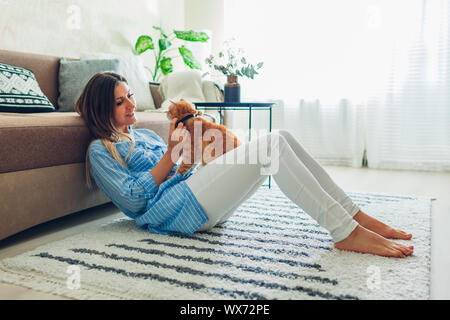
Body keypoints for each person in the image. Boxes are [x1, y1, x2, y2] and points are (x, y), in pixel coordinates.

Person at [75, 72, 414, 259]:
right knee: (272, 145)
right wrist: (172, 156)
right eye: (120, 102)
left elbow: (176, 171)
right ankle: (347, 232)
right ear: (101, 109)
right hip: (173, 213)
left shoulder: (144, 134)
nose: (131, 104)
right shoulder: (99, 151)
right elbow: (134, 202)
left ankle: (354, 216)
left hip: (191, 194)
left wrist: (189, 158)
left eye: (130, 95)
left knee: (280, 136)